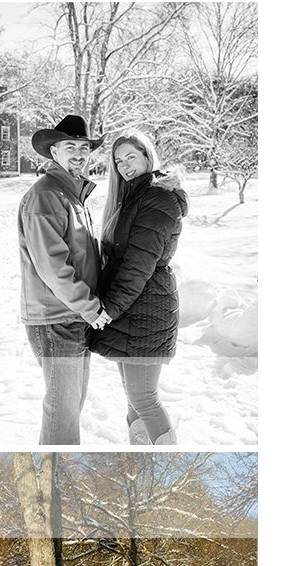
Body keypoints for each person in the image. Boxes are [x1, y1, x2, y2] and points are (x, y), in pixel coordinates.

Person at [88, 129, 188, 445]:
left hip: (147, 310)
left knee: (144, 398)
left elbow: (138, 264)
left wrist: (108, 309)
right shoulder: (134, 196)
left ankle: (166, 462)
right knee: (134, 399)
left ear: (148, 156)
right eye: (118, 161)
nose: (125, 165)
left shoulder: (156, 198)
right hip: (133, 309)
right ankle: (140, 457)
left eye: (131, 156)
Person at [18, 114, 112, 444]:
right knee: (62, 411)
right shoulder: (47, 196)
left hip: (73, 316)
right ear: (53, 152)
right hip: (56, 320)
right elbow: (53, 266)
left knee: (70, 409)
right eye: (69, 146)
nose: (78, 153)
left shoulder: (72, 196)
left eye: (83, 147)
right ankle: (50, 488)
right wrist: (90, 307)